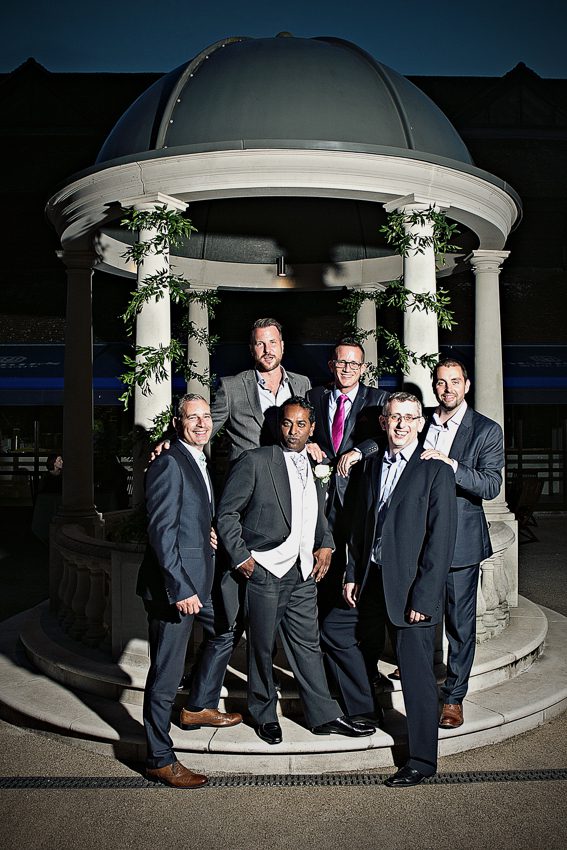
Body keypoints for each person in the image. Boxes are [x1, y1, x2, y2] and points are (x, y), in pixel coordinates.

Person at [216, 397, 376, 744]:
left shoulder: (319, 465)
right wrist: (242, 557)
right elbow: (227, 513)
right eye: (287, 423)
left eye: (301, 424)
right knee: (261, 647)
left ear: (312, 428)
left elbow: (319, 515)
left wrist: (326, 544)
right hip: (265, 569)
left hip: (304, 572)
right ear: (279, 425)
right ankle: (263, 714)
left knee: (308, 646)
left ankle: (324, 716)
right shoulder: (256, 461)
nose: (293, 431)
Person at [344, 392, 457, 786]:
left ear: (420, 423)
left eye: (410, 418)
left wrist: (424, 597)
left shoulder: (436, 471)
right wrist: (351, 573)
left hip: (411, 591)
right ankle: (365, 709)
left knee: (417, 676)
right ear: (384, 422)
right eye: (395, 417)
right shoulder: (372, 465)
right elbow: (360, 526)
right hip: (372, 578)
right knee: (338, 634)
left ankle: (422, 760)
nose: (401, 424)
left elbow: (440, 541)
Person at [136, 393, 242, 788]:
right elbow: (161, 532)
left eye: (206, 416)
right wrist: (179, 588)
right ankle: (159, 758)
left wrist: (207, 532)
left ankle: (198, 706)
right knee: (166, 674)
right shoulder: (168, 462)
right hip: (176, 587)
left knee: (225, 630)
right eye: (192, 417)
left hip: (202, 577)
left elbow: (188, 515)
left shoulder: (199, 459)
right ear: (178, 422)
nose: (201, 423)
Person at [420, 358, 504, 730]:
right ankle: (420, 669)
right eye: (441, 382)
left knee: (460, 623)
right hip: (419, 538)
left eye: (455, 381)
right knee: (418, 612)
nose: (448, 389)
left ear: (466, 385)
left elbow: (490, 485)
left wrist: (451, 464)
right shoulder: (420, 420)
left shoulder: (486, 430)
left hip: (460, 542)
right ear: (434, 386)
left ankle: (453, 697)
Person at [306, 339, 388, 717]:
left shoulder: (377, 400)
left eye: (354, 364)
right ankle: (329, 665)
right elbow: (299, 428)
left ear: (363, 368)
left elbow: (389, 436)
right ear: (331, 364)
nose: (347, 369)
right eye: (341, 363)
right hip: (323, 506)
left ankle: (367, 668)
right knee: (325, 582)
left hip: (360, 504)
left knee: (362, 593)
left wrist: (360, 450)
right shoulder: (315, 396)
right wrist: (309, 444)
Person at [210, 317, 311, 462]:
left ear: (282, 346)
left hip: (291, 471)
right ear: (251, 349)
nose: (267, 350)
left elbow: (309, 427)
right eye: (260, 344)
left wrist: (310, 444)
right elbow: (204, 429)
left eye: (272, 342)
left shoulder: (302, 383)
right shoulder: (231, 387)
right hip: (248, 471)